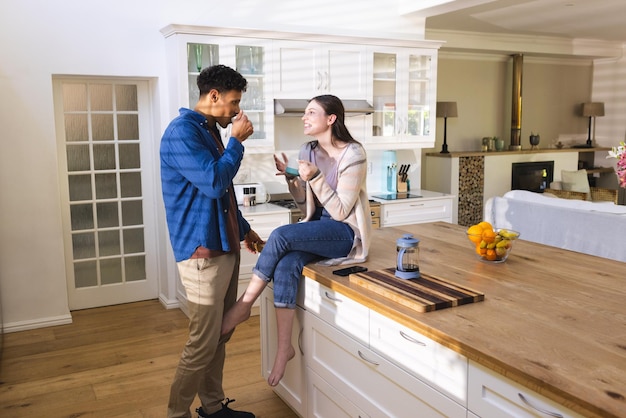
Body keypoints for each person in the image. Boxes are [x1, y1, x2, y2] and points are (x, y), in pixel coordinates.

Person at [221, 94, 372, 387]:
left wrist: (314, 177)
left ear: (331, 119)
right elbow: (307, 206)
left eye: (311, 113)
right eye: (304, 112)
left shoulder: (354, 154)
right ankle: (283, 350)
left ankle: (245, 303)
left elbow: (340, 211)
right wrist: (293, 181)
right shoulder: (308, 150)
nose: (304, 117)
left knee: (279, 234)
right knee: (286, 264)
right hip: (317, 226)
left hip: (342, 233)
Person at [160, 64, 263, 418]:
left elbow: (223, 196)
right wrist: (236, 142)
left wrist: (245, 228)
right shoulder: (181, 133)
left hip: (224, 245)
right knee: (202, 342)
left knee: (220, 335)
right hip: (202, 253)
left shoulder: (208, 131)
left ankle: (214, 406)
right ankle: (177, 413)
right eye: (233, 102)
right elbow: (214, 182)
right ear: (213, 95)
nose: (236, 111)